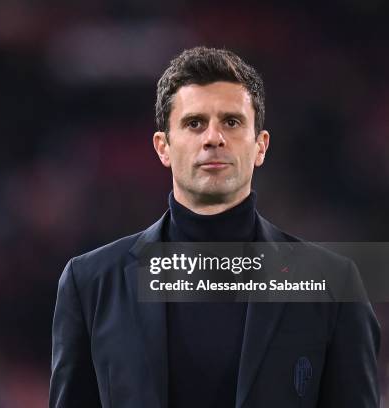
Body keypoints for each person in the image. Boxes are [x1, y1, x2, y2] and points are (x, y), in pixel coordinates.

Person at [49, 47, 380, 408]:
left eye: (232, 122)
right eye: (194, 123)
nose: (213, 138)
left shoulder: (334, 285)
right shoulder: (90, 283)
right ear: (163, 147)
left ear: (261, 146)